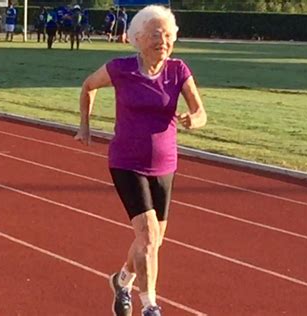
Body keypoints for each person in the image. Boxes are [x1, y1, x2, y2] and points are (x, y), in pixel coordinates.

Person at [74, 5, 207, 316]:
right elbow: (88, 86)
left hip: (165, 164)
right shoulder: (121, 68)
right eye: (155, 35)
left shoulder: (178, 71)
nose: (163, 40)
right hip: (126, 161)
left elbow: (201, 111)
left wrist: (194, 119)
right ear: (137, 38)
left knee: (154, 241)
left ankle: (123, 280)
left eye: (168, 35)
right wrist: (85, 124)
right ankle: (150, 305)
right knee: (147, 233)